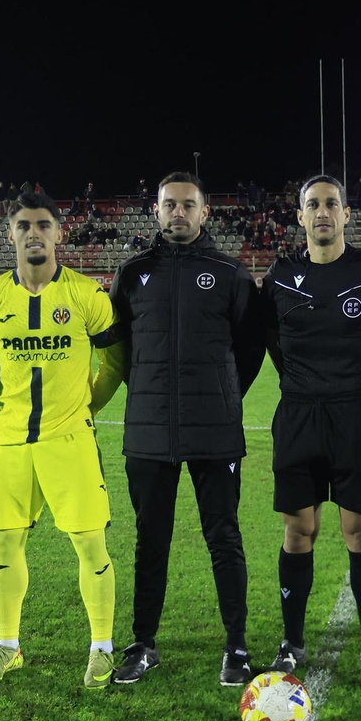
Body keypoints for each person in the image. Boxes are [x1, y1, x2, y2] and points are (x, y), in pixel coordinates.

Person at [92, 171, 265, 686]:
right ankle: (143, 643)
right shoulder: (132, 272)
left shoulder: (230, 273)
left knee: (223, 536)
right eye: (170, 205)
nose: (178, 213)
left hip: (214, 432)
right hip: (148, 433)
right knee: (151, 540)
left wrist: (224, 397)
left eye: (189, 205)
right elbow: (117, 349)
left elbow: (250, 351)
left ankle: (236, 646)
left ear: (204, 212)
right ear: (156, 211)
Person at [256, 175, 361, 687]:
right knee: (299, 533)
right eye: (312, 205)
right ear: (299, 216)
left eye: (331, 204)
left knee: (359, 532)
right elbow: (271, 341)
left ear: (346, 215)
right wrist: (298, 382)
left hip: (352, 417)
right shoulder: (280, 275)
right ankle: (291, 643)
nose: (322, 212)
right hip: (298, 416)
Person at [0, 192, 122, 689]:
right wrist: (13, 400)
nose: (34, 232)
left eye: (44, 224)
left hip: (70, 439)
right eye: (24, 225)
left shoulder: (87, 296)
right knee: (5, 544)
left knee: (89, 543)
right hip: (10, 441)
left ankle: (102, 648)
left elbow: (115, 364)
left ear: (60, 233)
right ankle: (7, 646)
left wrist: (86, 407)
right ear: (9, 233)